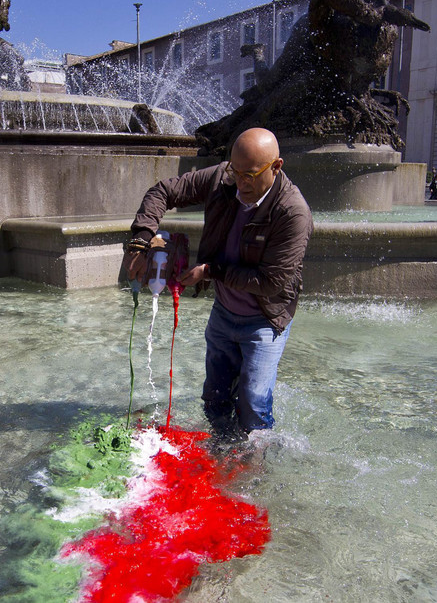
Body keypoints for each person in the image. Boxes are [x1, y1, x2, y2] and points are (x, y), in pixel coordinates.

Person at [122, 128, 313, 440]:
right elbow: (162, 191)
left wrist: (209, 271)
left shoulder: (292, 212)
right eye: (236, 172)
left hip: (265, 318)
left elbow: (271, 282)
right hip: (225, 312)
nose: (240, 183)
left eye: (250, 175)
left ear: (276, 167)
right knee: (214, 400)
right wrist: (142, 239)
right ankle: (222, 452)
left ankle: (256, 468)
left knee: (253, 404)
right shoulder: (223, 177)